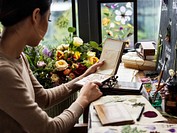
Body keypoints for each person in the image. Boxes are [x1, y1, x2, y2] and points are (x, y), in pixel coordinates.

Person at [0, 0, 104, 132]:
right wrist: (83, 99)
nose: (48, 25)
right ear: (36, 16)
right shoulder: (4, 72)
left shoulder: (19, 57)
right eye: (48, 19)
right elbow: (49, 129)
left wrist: (84, 77)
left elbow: (44, 98)